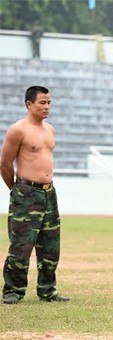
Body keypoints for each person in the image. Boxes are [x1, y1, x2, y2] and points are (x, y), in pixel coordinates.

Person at [1, 86, 70, 304]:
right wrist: (17, 190)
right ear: (29, 104)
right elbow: (4, 164)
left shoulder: (50, 129)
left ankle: (47, 290)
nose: (47, 107)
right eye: (42, 102)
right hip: (26, 192)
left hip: (49, 193)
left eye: (49, 102)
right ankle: (13, 291)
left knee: (50, 247)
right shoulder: (18, 130)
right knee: (21, 246)